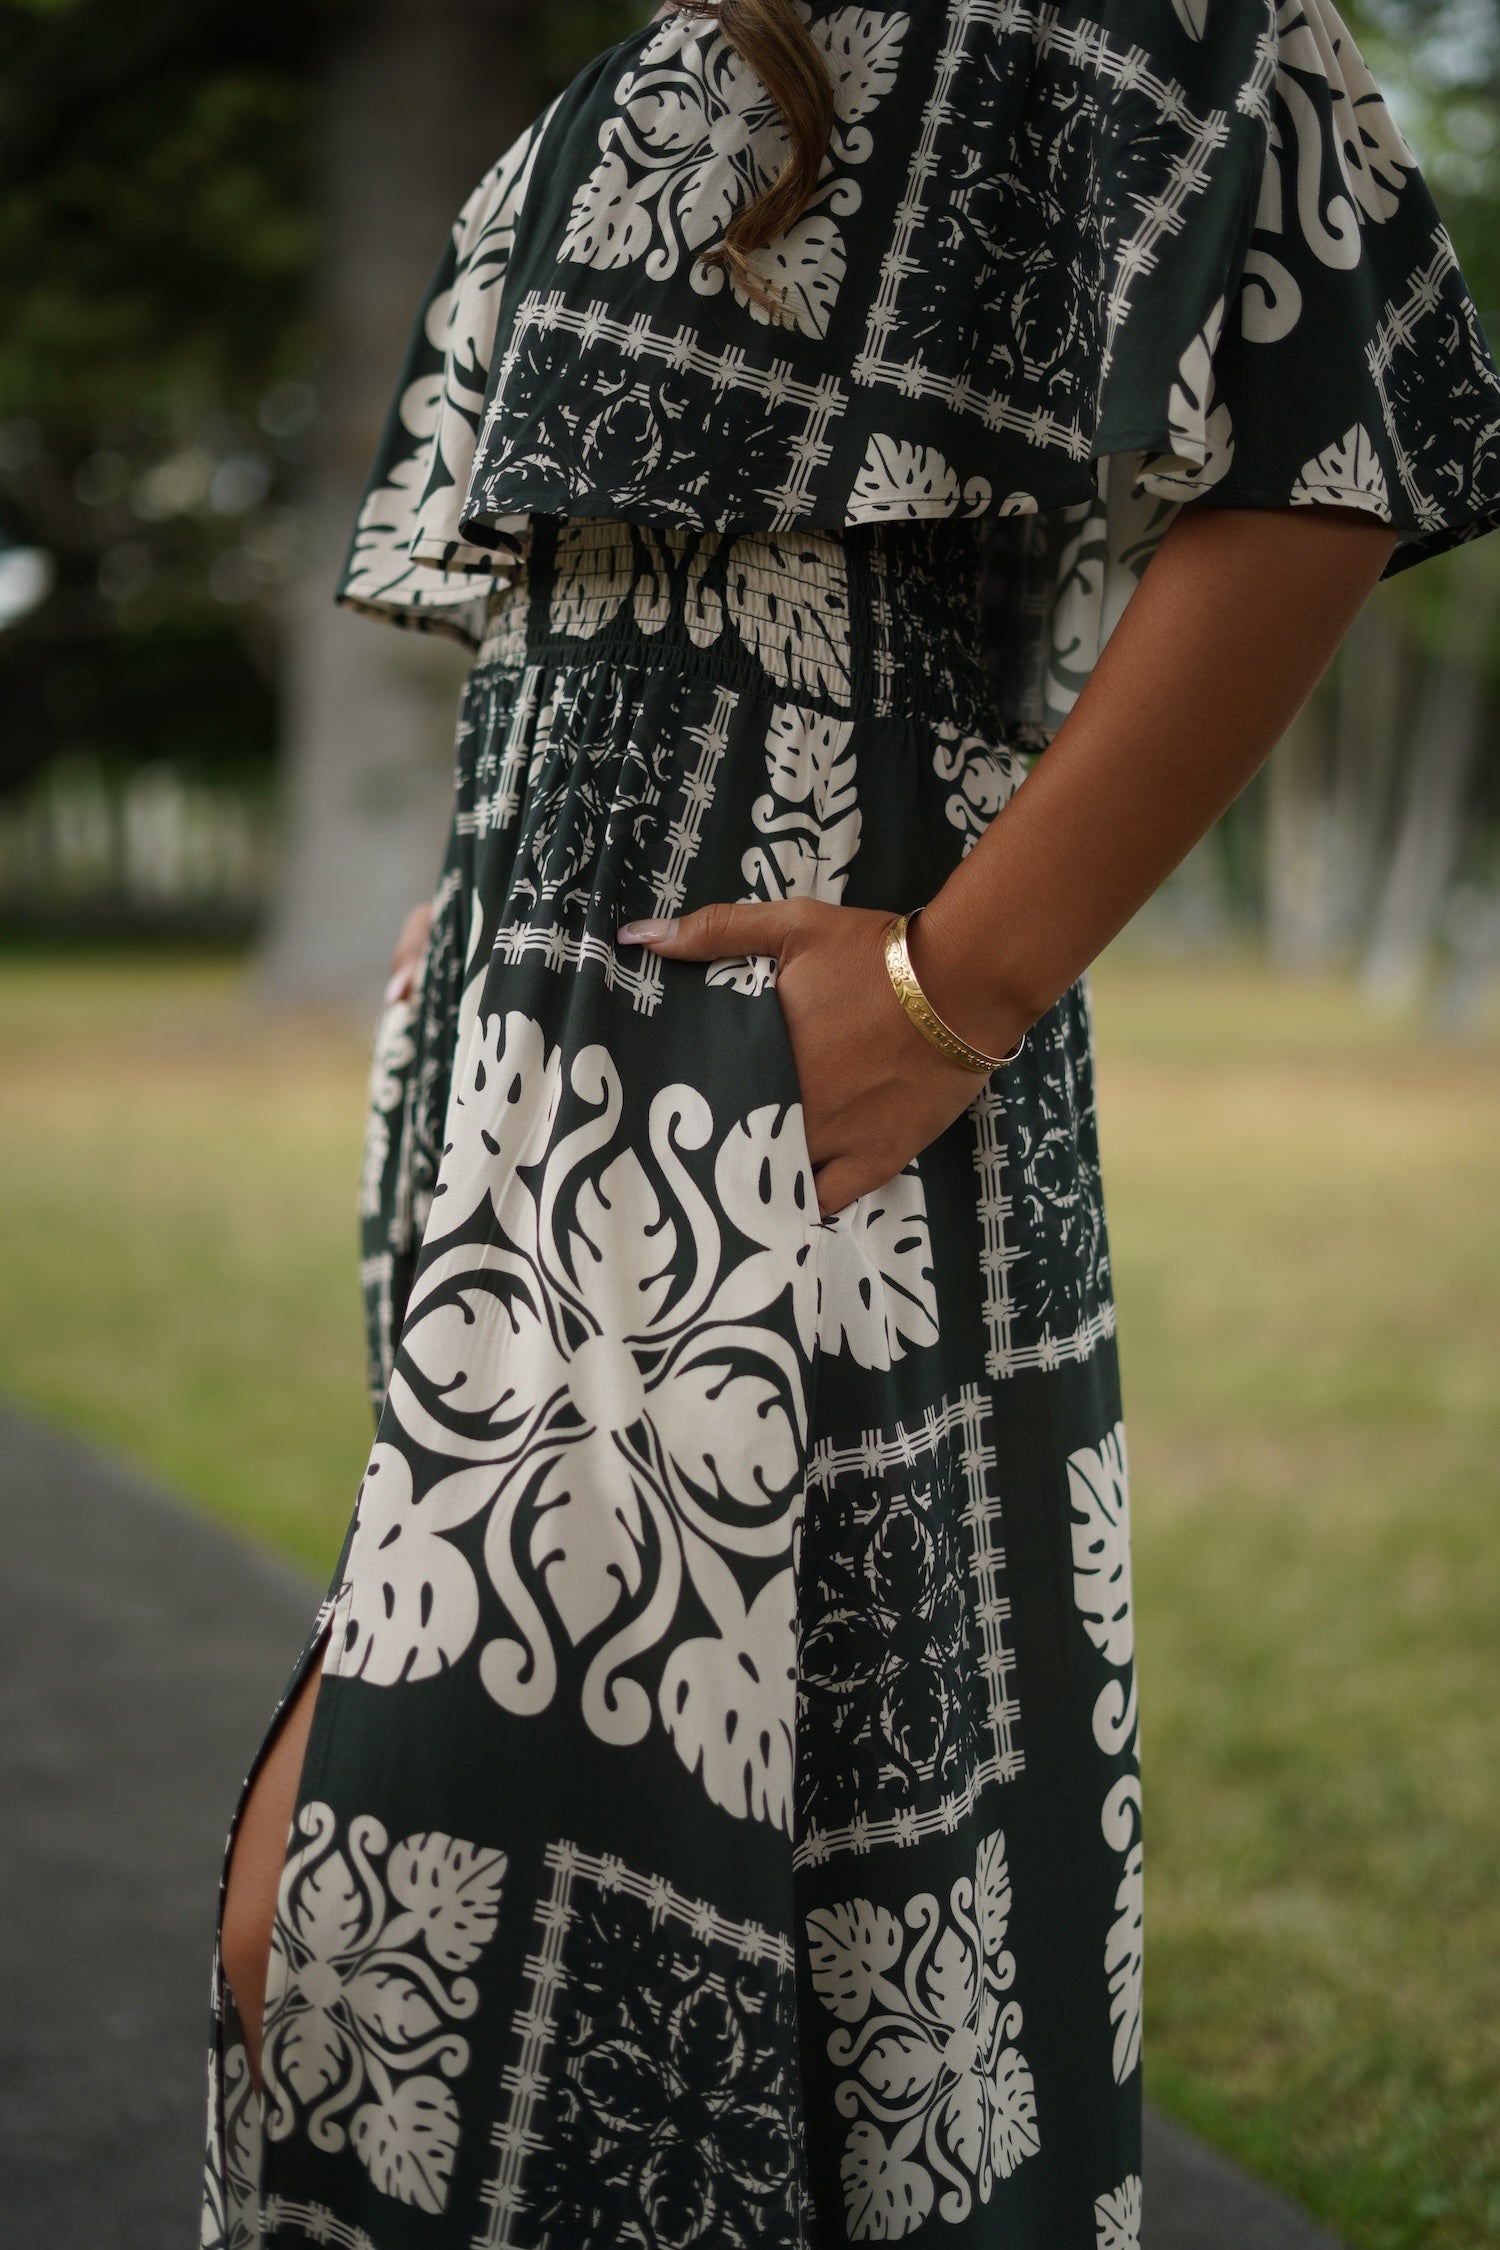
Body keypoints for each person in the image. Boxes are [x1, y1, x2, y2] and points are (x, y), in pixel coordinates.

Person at [202, 5, 1500, 2245]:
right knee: (516, 1986)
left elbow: (1327, 453)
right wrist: (489, 892)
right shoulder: (665, 49)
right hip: (544, 1100)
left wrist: (951, 989)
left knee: (409, 1966)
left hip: (785, 1100)